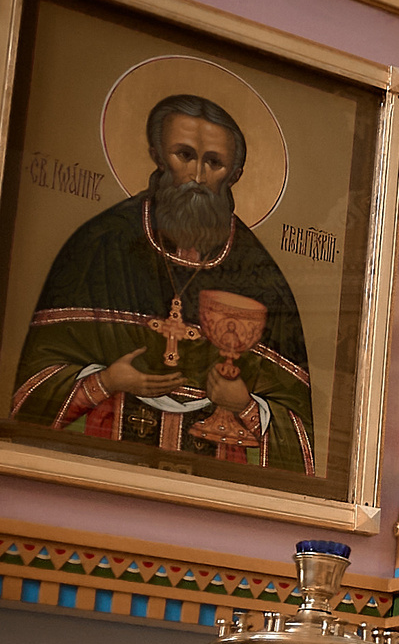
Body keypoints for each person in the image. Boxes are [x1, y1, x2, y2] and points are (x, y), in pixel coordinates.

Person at [11, 93, 314, 469]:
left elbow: (302, 442)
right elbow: (27, 394)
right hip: (98, 471)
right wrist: (106, 381)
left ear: (235, 173)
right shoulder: (100, 245)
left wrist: (246, 406)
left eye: (214, 163)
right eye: (184, 155)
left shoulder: (262, 277)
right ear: (157, 154)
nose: (199, 176)